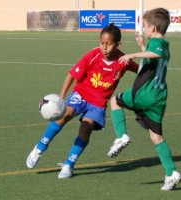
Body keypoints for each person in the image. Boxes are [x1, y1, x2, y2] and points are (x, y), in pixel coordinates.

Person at [26, 23, 138, 179]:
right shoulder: (93, 55)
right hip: (81, 94)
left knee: (86, 128)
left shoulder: (123, 60)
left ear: (118, 44)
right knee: (65, 116)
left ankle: (69, 164)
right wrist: (61, 97)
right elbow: (72, 74)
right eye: (102, 43)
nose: (104, 47)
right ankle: (40, 147)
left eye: (109, 44)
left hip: (98, 103)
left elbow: (141, 71)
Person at [107, 8, 181, 190]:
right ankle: (171, 173)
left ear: (154, 28)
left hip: (145, 93)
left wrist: (132, 54)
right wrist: (142, 46)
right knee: (156, 136)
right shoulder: (163, 43)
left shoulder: (157, 44)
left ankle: (121, 136)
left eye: (146, 27)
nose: (144, 30)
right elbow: (152, 59)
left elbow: (156, 54)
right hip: (159, 97)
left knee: (115, 101)